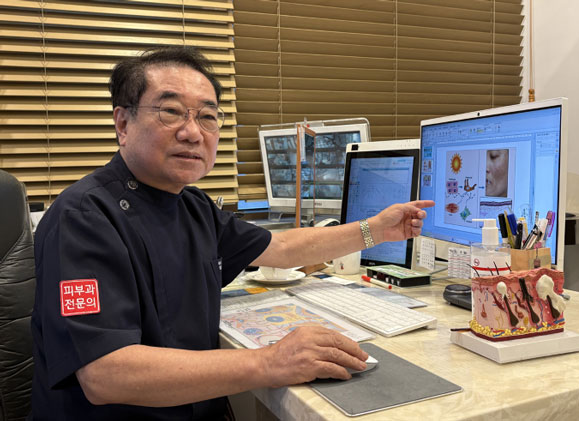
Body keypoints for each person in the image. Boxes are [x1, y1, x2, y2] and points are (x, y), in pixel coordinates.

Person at [29, 46, 434, 419]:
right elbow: (106, 374)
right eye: (171, 111)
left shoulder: (192, 205)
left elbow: (280, 247)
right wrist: (270, 362)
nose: (193, 132)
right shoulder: (83, 219)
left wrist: (374, 230)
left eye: (207, 116)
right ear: (123, 123)